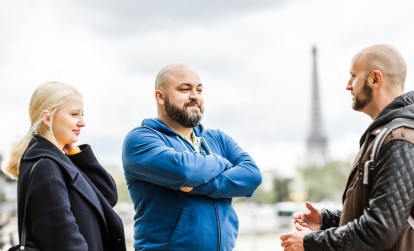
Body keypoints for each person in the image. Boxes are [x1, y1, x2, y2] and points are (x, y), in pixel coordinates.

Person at [280, 44, 414, 250]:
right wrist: (327, 220)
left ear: (375, 79)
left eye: (353, 76)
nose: (348, 85)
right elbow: (384, 213)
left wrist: (310, 242)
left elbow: (380, 231)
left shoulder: (398, 139)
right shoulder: (387, 135)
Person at [122, 64, 262, 250]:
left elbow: (252, 176)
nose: (195, 96)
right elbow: (183, 170)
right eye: (185, 89)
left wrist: (201, 183)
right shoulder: (141, 140)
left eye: (199, 90)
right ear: (160, 97)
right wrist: (222, 162)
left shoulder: (218, 139)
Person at [1, 82, 126, 251]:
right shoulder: (47, 166)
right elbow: (65, 242)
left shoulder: (59, 160)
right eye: (74, 114)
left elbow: (107, 196)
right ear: (47, 118)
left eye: (82, 114)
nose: (82, 122)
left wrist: (76, 154)